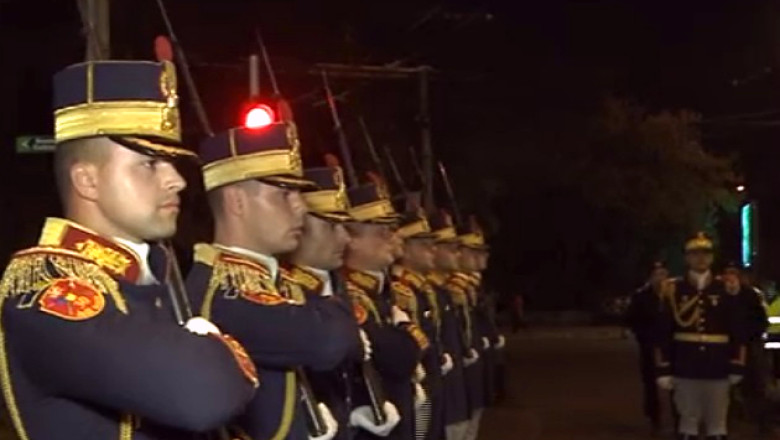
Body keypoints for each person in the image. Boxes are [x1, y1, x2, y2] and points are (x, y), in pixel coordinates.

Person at [0, 59, 258, 439]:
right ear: (87, 180)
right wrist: (222, 355)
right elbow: (200, 393)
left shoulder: (155, 273)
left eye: (172, 163)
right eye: (150, 164)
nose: (177, 181)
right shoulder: (43, 289)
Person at [186, 123, 357, 440]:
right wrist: (336, 313)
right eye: (285, 194)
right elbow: (328, 341)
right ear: (237, 202)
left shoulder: (276, 283)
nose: (301, 208)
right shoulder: (224, 293)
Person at [285, 157, 398, 439]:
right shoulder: (288, 295)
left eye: (345, 227)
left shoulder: (335, 288)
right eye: (331, 226)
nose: (345, 238)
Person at [343, 174, 424, 440]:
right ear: (351, 239)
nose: (392, 238)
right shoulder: (351, 294)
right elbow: (400, 357)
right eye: (381, 231)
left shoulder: (380, 292)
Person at [654, 232, 747, 440]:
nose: (701, 258)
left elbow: (736, 328)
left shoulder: (725, 288)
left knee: (718, 423)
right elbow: (663, 330)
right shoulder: (674, 289)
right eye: (695, 254)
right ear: (687, 258)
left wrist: (737, 363)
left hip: (718, 363)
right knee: (688, 422)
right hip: (685, 363)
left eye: (705, 253)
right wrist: (664, 367)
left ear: (712, 257)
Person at [389, 194, 443, 440]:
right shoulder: (400, 290)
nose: (433, 250)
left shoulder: (416, 288)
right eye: (424, 244)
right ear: (407, 249)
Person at [426, 210, 470, 440]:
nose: (458, 253)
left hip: (451, 395)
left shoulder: (440, 291)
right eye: (450, 247)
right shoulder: (421, 292)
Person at [625, 261, 669, 435]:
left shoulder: (672, 294)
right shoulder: (641, 297)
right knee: (651, 383)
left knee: (674, 382)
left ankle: (679, 417)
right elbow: (632, 320)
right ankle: (654, 418)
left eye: (664, 274)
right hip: (649, 345)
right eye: (657, 274)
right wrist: (644, 337)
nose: (661, 278)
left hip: (669, 346)